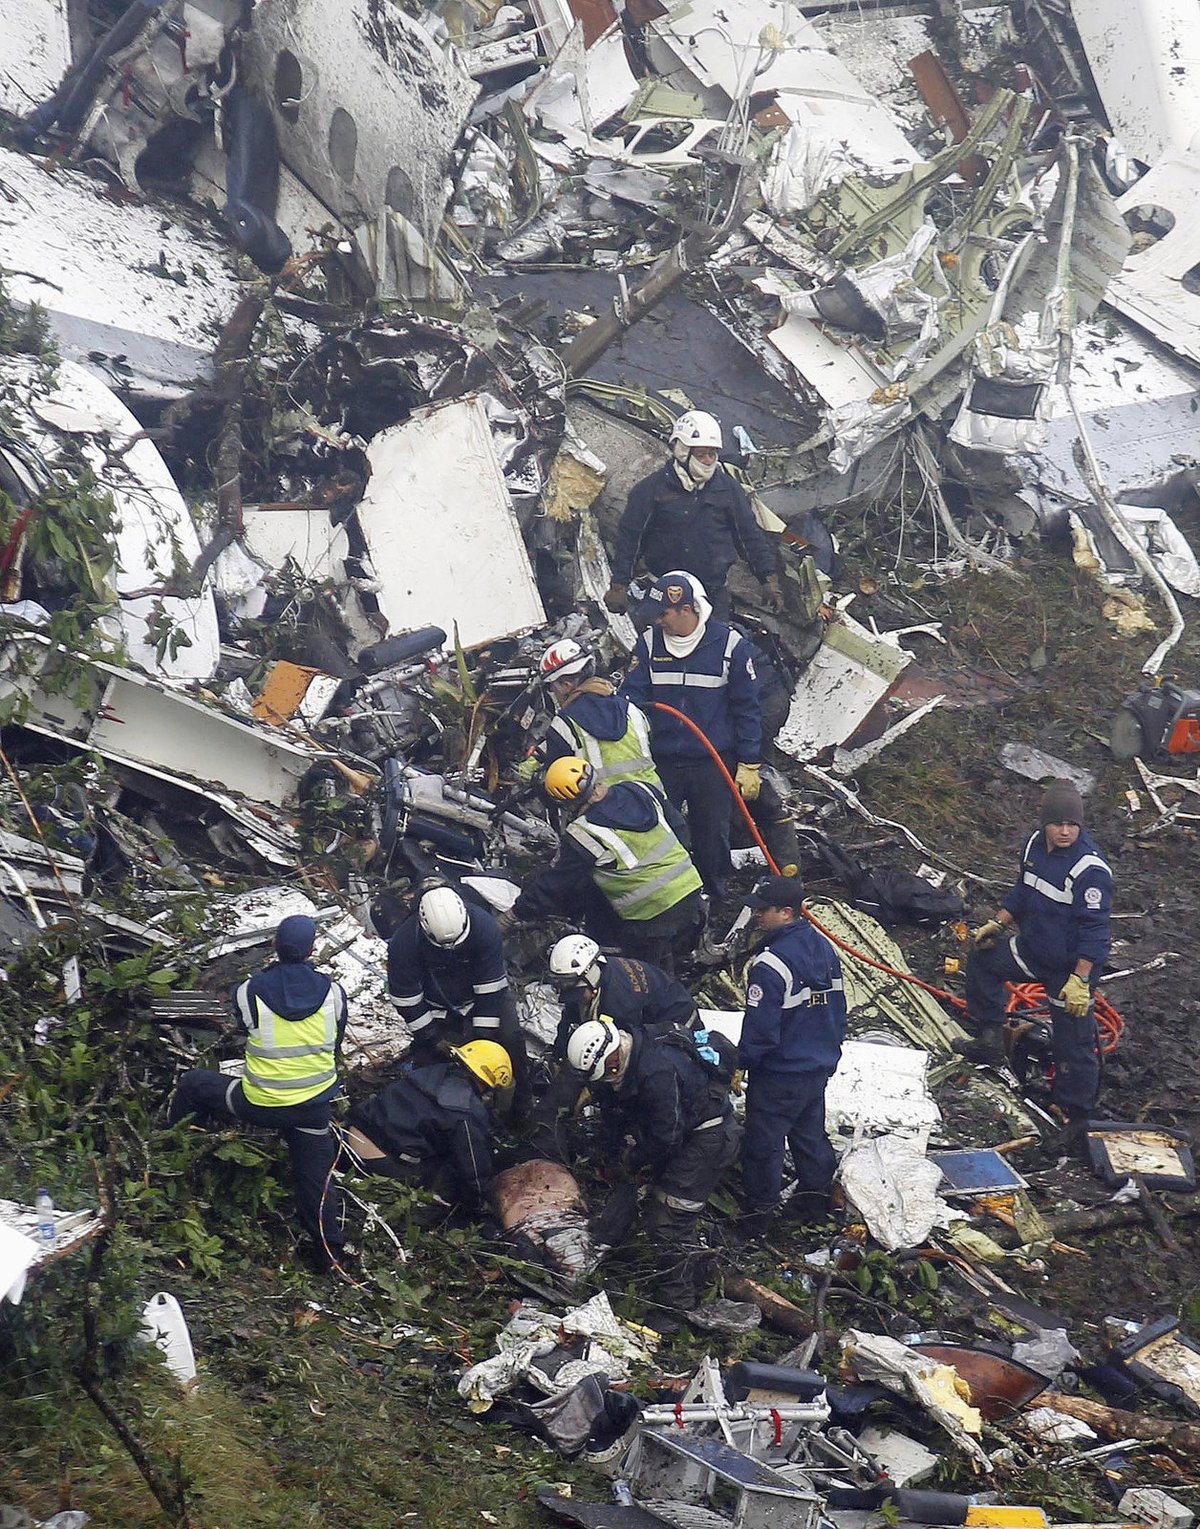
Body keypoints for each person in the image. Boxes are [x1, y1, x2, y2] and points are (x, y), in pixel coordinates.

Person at [167, 914, 348, 1270]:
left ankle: (181, 1158)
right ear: (313, 950)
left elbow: (242, 1028)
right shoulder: (335, 994)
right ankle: (330, 1255)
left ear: (274, 947)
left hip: (260, 1103)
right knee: (316, 1181)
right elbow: (335, 1044)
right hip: (313, 1109)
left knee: (193, 1083)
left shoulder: (249, 991)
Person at [566, 1017, 739, 1320]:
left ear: (613, 1059)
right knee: (662, 1208)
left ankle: (677, 1306)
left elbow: (666, 1135)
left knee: (670, 1220)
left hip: (706, 1139)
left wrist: (634, 1159)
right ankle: (696, 1270)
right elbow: (614, 1112)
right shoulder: (624, 1064)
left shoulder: (656, 1072)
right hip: (684, 1132)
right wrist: (611, 1152)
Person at [964, 779, 1111, 1129]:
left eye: (1072, 825)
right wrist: (998, 923)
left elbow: (1096, 930)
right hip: (1032, 951)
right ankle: (989, 1040)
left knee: (1072, 1041)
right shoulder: (1033, 846)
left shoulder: (1090, 870)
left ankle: (1075, 1114)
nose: (1064, 831)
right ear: (1044, 823)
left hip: (1069, 969)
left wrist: (1081, 978)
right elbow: (1024, 889)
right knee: (983, 961)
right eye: (1058, 824)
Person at [620, 571, 762, 900]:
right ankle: (665, 894)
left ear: (687, 609)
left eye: (664, 614)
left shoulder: (730, 646)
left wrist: (749, 762)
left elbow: (747, 708)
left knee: (711, 835)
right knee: (657, 831)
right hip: (662, 760)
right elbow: (631, 698)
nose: (659, 622)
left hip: (711, 761)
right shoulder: (649, 644)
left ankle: (714, 896)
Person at [506, 757, 703, 972]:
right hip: (692, 895)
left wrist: (515, 914)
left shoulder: (583, 833)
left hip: (651, 917)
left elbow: (555, 885)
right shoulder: (639, 788)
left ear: (564, 803)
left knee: (645, 981)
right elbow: (680, 828)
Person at [737, 876, 847, 1240]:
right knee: (809, 1134)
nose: (756, 916)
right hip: (816, 1064)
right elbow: (836, 1011)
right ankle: (815, 1204)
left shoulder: (771, 965)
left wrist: (740, 1063)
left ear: (786, 913)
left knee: (763, 1146)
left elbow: (761, 1031)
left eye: (762, 910)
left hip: (780, 1072)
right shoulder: (823, 948)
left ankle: (757, 1221)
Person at [604, 409, 783, 621]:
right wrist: (619, 584)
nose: (708, 460)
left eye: (712, 454)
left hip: (712, 595)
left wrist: (768, 578)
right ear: (682, 451)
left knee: (712, 650)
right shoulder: (651, 490)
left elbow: (749, 536)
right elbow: (630, 539)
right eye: (701, 454)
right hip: (664, 592)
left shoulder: (728, 489)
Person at [387, 882, 531, 1115]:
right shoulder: (404, 943)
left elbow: (491, 987)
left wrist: (482, 1037)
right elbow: (406, 1000)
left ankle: (520, 1108)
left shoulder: (484, 927)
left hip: (483, 999)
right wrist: (432, 1037)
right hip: (436, 1007)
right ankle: (441, 1120)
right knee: (430, 1066)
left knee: (510, 1040)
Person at [340, 1041, 511, 1212]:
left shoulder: (429, 1072)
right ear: (487, 1082)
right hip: (381, 1158)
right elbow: (473, 1170)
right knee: (446, 1180)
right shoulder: (467, 1110)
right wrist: (479, 1204)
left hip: (351, 1135)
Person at [533, 638, 662, 790]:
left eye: (551, 688)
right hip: (653, 805)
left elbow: (554, 773)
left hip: (603, 811)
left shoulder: (563, 725)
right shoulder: (632, 710)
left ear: (566, 686)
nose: (552, 693)